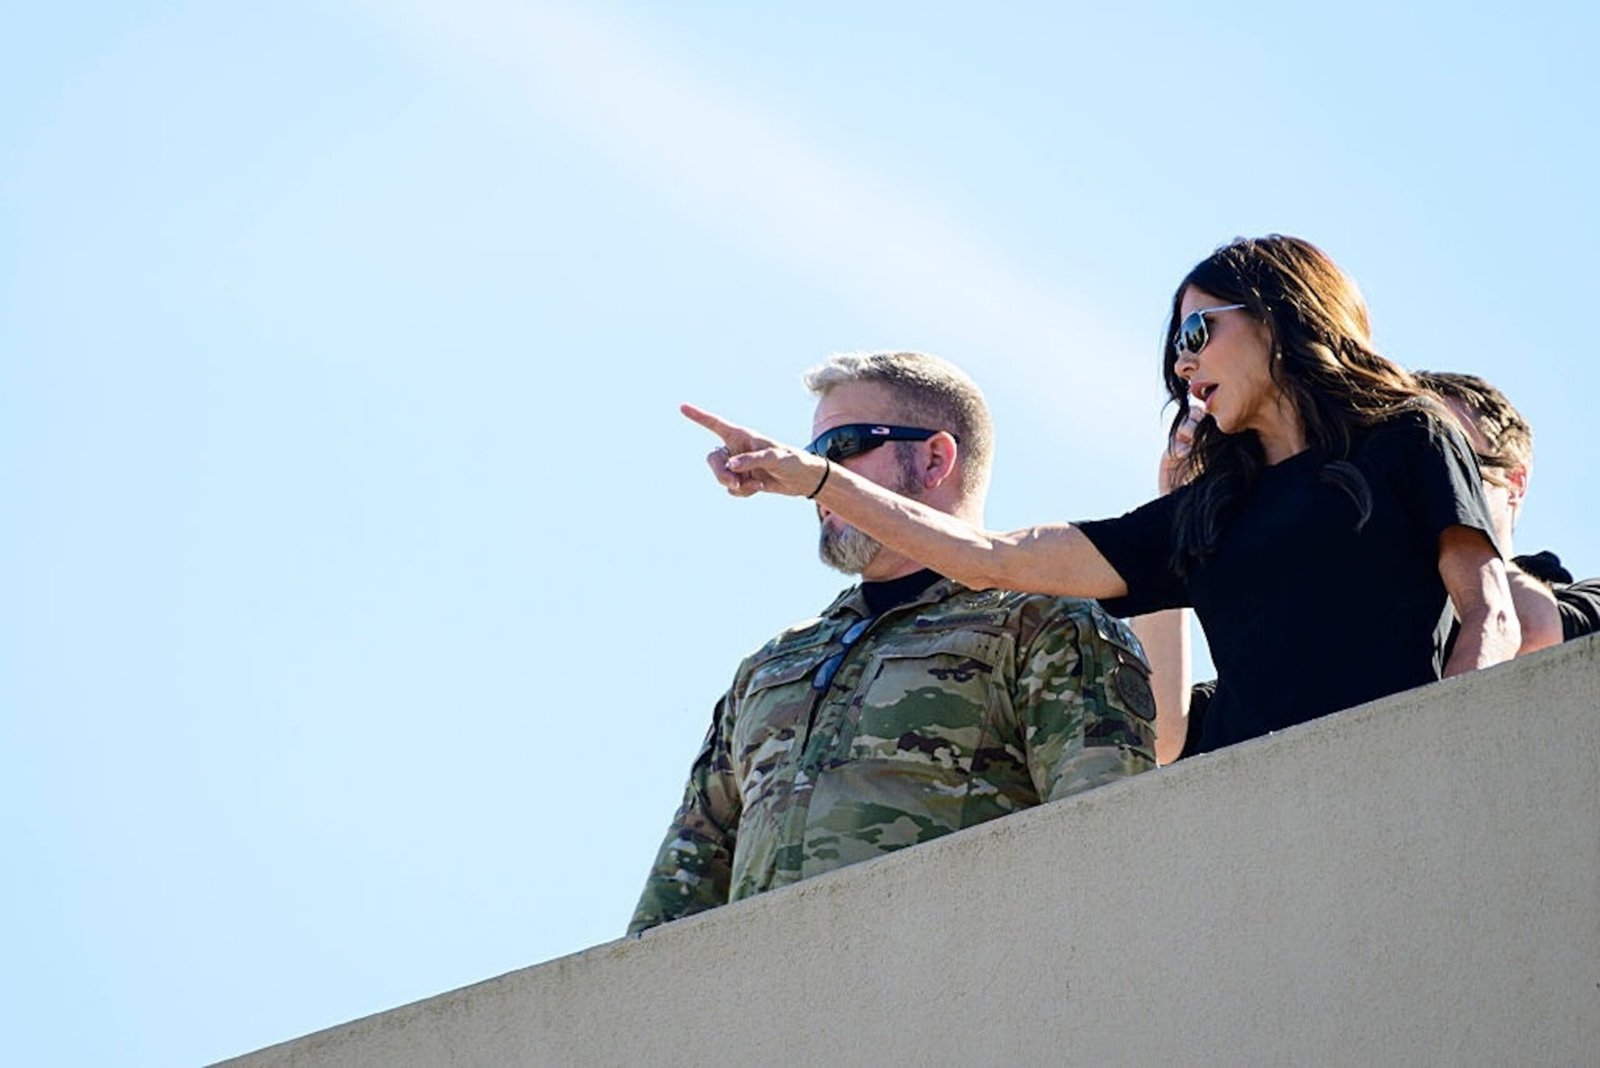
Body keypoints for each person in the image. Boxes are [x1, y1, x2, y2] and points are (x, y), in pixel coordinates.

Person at [685, 236, 1519, 760]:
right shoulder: (1207, 515)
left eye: (1198, 333)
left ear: (1281, 317)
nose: (1184, 366)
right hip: (1257, 811)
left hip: (1405, 768)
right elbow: (988, 558)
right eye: (1173, 351)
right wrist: (819, 479)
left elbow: (1490, 612)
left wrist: (1441, 745)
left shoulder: (1405, 437)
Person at [629, 351, 1157, 934]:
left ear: (935, 459)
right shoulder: (772, 664)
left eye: (843, 448)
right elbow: (677, 897)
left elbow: (1109, 843)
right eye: (810, 458)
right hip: (765, 1015)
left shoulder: (1040, 623)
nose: (811, 480)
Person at [1414, 371, 1600, 645]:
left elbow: (1528, 630)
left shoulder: (1590, 598)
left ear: (1514, 483)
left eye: (1448, 459)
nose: (1418, 483)